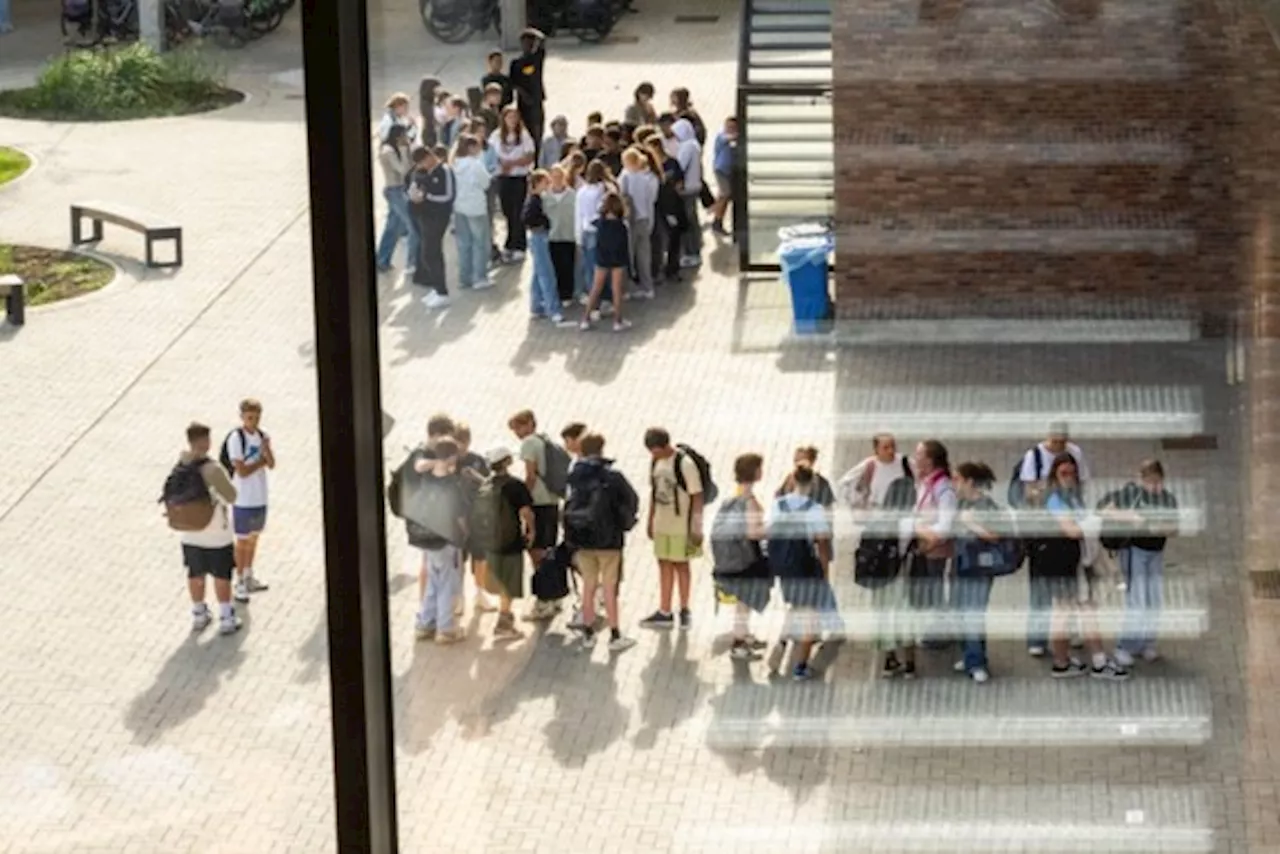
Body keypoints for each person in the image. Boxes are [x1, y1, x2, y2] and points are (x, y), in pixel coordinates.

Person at [1033, 454, 1129, 680]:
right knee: (1079, 613)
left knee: (1066, 613)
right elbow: (1072, 530)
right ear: (1054, 475)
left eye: (1072, 473)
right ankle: (1096, 662)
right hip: (1064, 564)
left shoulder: (1070, 497)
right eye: (1063, 473)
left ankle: (1063, 661)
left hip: (1066, 563)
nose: (1069, 478)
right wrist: (1098, 517)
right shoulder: (1055, 500)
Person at [839, 433, 917, 677]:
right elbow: (845, 485)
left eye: (892, 445)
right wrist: (859, 504)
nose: (890, 450)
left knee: (888, 610)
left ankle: (897, 658)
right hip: (888, 548)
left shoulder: (906, 463)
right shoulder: (869, 466)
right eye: (885, 447)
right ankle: (897, 658)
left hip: (888, 550)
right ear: (876, 449)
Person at [1018, 422, 1091, 657]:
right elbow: (1027, 491)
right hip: (1043, 538)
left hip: (1067, 546)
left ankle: (1066, 636)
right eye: (1056, 440)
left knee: (1068, 593)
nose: (1060, 444)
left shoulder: (1075, 453)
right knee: (1042, 593)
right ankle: (1038, 639)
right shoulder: (1034, 456)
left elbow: (1084, 483)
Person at [563, 432, 640, 652]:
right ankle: (615, 635)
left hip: (582, 539)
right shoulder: (612, 476)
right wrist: (624, 521)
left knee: (588, 585)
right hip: (609, 540)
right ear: (602, 448)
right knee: (609, 587)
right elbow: (632, 500)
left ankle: (587, 632)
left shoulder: (574, 476)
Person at [768, 466, 837, 681]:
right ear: (813, 484)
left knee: (796, 606)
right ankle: (800, 666)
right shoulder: (815, 509)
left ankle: (782, 640)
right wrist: (825, 571)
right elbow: (822, 543)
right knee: (811, 618)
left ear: (792, 480)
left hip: (785, 569)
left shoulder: (778, 505)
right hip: (807, 567)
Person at [174, 423, 241, 635]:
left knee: (195, 573)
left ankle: (199, 614)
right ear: (206, 441)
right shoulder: (213, 468)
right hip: (216, 534)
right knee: (222, 575)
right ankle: (227, 618)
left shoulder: (180, 465)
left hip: (189, 533)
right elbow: (231, 496)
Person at [399, 439, 469, 643]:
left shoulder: (426, 477)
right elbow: (460, 516)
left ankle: (424, 624)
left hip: (424, 537)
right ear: (452, 457)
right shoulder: (452, 485)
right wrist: (465, 535)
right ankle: (446, 629)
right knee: (447, 582)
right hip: (445, 539)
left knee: (433, 580)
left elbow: (419, 465)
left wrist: (436, 462)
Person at [1113, 459, 1178, 666]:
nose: (1155, 486)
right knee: (1137, 601)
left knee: (1154, 600)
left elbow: (1174, 527)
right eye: (1150, 482)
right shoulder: (1132, 495)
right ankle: (1125, 645)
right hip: (1136, 552)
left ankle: (1147, 642)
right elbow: (1106, 511)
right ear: (1141, 480)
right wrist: (1131, 517)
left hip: (1156, 553)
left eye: (1158, 481)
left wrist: (1157, 527)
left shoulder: (1167, 499)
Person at [639, 428, 703, 631]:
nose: (653, 455)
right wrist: (650, 519)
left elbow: (697, 496)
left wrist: (696, 526)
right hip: (663, 523)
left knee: (681, 566)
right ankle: (665, 610)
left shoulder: (684, 464)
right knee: (664, 564)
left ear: (665, 446)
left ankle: (685, 609)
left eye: (655, 450)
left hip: (681, 524)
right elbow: (654, 491)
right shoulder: (656, 462)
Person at [712, 453, 772, 661]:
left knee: (743, 601)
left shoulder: (733, 497)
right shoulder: (749, 502)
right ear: (755, 472)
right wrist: (771, 529)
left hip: (734, 558)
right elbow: (752, 532)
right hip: (746, 558)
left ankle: (744, 635)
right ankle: (739, 642)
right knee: (745, 602)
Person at [473, 448, 536, 637]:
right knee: (508, 584)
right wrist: (531, 531)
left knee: (500, 581)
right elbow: (526, 513)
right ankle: (504, 622)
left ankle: (504, 618)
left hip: (490, 542)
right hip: (511, 542)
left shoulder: (484, 486)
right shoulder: (515, 486)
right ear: (507, 462)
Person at [508, 410, 563, 621]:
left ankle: (543, 600)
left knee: (536, 552)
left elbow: (530, 475)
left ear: (529, 424)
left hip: (538, 503)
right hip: (552, 501)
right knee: (549, 551)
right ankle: (556, 597)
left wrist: (524, 497)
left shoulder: (530, 443)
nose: (517, 434)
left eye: (518, 428)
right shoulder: (545, 440)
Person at [951, 462, 1003, 683]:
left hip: (980, 567)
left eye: (957, 479)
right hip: (962, 564)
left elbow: (995, 535)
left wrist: (972, 525)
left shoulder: (986, 506)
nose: (954, 484)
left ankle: (977, 661)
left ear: (969, 482)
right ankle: (970, 654)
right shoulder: (961, 503)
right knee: (961, 612)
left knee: (973, 614)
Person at [226, 398, 274, 603]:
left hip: (259, 497)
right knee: (242, 541)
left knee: (254, 539)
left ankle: (248, 575)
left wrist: (266, 451)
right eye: (249, 417)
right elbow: (242, 471)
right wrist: (261, 461)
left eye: (256, 417)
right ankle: (239, 582)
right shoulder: (236, 438)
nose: (253, 421)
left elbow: (271, 464)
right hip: (243, 499)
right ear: (242, 417)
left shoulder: (263, 436)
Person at [911, 439, 956, 651]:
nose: (915, 459)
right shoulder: (926, 481)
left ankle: (941, 632)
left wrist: (918, 530)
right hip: (927, 548)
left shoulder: (943, 487)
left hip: (936, 550)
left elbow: (945, 526)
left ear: (930, 460)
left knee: (936, 590)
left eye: (919, 455)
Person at [453, 422, 495, 615]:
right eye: (458, 441)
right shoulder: (448, 463)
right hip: (455, 519)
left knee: (480, 558)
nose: (462, 446)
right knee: (458, 560)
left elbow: (489, 485)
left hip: (478, 517)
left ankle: (479, 593)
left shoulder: (477, 460)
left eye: (464, 441)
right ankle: (458, 596)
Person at [407, 145, 456, 308]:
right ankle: (437, 288)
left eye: (422, 163)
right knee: (427, 253)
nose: (421, 167)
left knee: (432, 252)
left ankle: (442, 292)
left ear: (429, 157)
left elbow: (448, 196)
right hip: (425, 216)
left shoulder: (445, 171)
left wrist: (426, 197)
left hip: (439, 217)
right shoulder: (423, 172)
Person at [579, 191, 632, 332]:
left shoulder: (600, 223)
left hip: (602, 258)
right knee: (616, 289)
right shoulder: (621, 226)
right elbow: (625, 246)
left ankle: (585, 318)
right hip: (618, 260)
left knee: (596, 288)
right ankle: (617, 321)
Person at [490, 106, 536, 263]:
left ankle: (520, 245)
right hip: (503, 178)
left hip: (519, 177)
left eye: (515, 117)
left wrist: (513, 163)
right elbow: (491, 154)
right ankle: (510, 243)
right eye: (509, 117)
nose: (512, 120)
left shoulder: (523, 135)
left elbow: (530, 156)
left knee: (518, 211)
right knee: (507, 211)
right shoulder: (496, 135)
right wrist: (501, 165)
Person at [451, 134, 495, 291]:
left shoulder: (454, 164)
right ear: (470, 148)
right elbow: (486, 183)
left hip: (459, 206)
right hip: (476, 207)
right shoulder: (475, 165)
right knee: (480, 243)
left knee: (464, 243)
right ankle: (480, 277)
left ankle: (465, 278)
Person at [375, 124, 418, 274]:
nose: (406, 139)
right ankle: (411, 262)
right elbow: (403, 169)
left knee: (392, 228)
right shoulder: (388, 151)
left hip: (400, 189)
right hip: (395, 190)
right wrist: (404, 150)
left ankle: (382, 260)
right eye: (404, 136)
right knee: (412, 224)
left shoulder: (395, 149)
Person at [523, 169, 563, 323]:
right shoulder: (535, 200)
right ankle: (553, 309)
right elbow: (528, 218)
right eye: (546, 182)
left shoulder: (533, 199)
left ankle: (536, 305)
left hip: (536, 237)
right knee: (547, 274)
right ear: (538, 183)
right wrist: (544, 222)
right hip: (539, 237)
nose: (548, 185)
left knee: (538, 273)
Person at [619, 147, 659, 300]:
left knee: (628, 255)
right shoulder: (647, 178)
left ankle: (626, 289)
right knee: (644, 256)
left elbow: (621, 196)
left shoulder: (626, 177)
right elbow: (651, 200)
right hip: (645, 219)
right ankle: (648, 287)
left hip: (630, 221)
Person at [574, 160, 609, 304]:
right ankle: (603, 299)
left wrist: (578, 236)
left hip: (586, 230)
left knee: (589, 267)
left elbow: (579, 214)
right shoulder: (602, 190)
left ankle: (592, 299)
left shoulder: (582, 191)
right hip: (600, 231)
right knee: (601, 266)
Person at [543, 165, 578, 306]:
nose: (557, 179)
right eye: (554, 176)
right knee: (553, 265)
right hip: (552, 236)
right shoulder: (545, 196)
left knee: (568, 265)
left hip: (568, 235)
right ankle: (555, 293)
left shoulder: (572, 195)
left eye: (560, 176)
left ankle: (567, 294)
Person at [509, 28, 548, 153]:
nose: (528, 46)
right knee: (525, 131)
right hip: (524, 103)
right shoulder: (516, 63)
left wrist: (533, 32)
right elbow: (513, 83)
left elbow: (543, 40)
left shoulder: (537, 59)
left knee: (538, 132)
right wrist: (523, 94)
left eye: (531, 43)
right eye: (525, 43)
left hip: (537, 100)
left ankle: (537, 156)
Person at [671, 118, 703, 269]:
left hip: (687, 189)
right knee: (692, 219)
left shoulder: (687, 147)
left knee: (688, 222)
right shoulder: (694, 144)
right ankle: (693, 251)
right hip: (694, 186)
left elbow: (680, 166)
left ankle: (692, 253)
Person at [775, 445, 835, 510]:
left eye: (801, 461)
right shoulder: (789, 479)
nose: (797, 464)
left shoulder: (822, 484)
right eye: (795, 460)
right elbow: (778, 500)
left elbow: (829, 510)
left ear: (812, 461)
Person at [710, 116, 738, 237]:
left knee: (724, 196)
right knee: (725, 194)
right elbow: (730, 138)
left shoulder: (730, 139)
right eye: (729, 126)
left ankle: (717, 216)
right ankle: (716, 220)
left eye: (733, 127)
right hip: (721, 170)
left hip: (728, 172)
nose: (730, 129)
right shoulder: (721, 136)